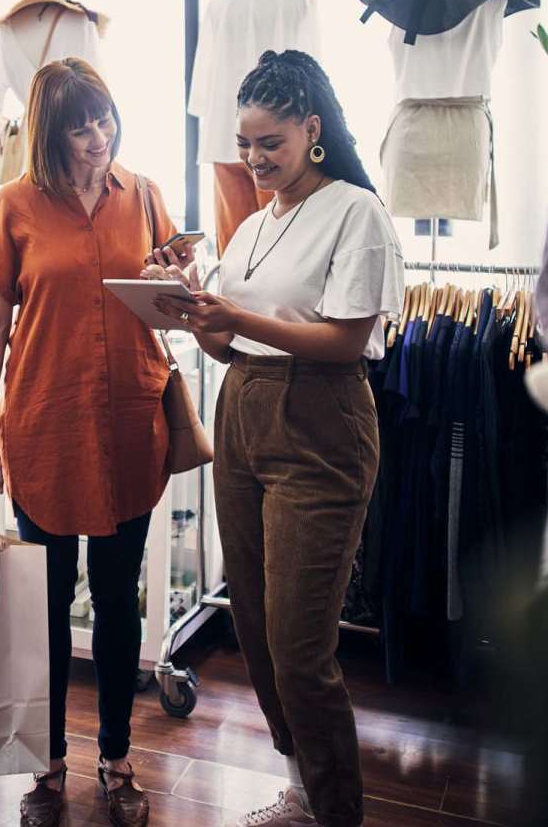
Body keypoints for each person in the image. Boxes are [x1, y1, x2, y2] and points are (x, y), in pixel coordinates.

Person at [156, 50, 404, 827]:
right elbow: (231, 346)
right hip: (243, 411)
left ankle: (337, 812)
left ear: (311, 128)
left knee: (300, 643)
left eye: (271, 143)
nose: (256, 159)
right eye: (245, 144)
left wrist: (239, 321)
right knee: (257, 628)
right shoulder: (255, 225)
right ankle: (301, 787)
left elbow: (344, 339)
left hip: (321, 421)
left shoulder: (354, 211)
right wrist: (193, 310)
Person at [0, 57, 177, 827]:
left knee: (119, 599)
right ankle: (47, 763)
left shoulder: (146, 195)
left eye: (104, 118)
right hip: (45, 425)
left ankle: (117, 757)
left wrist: (176, 280)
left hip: (129, 421)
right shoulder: (13, 206)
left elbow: (168, 304)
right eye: (79, 126)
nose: (97, 137)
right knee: (47, 603)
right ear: (50, 134)